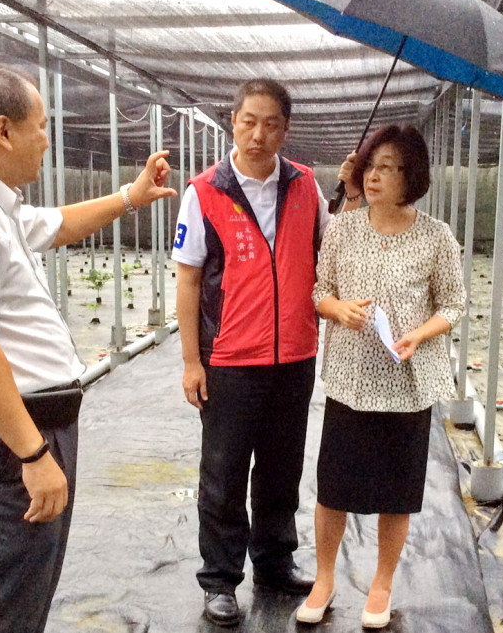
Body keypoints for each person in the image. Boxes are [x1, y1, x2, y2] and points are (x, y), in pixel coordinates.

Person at [0, 63, 175, 633]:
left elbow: (56, 225)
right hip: (0, 443)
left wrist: (131, 197)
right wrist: (33, 456)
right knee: (1, 607)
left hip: (21, 432)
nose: (48, 140)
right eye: (42, 126)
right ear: (3, 131)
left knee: (20, 598)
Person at [172, 78, 334, 627]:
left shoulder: (307, 187)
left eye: (271, 124)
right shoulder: (204, 192)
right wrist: (193, 361)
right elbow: (189, 280)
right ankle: (219, 580)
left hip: (293, 356)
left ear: (285, 130)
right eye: (249, 121)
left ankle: (274, 560)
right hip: (230, 359)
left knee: (281, 467)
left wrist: (354, 192)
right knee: (223, 471)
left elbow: (330, 253)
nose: (259, 134)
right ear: (232, 122)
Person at [296, 125, 465, 629]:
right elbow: (318, 290)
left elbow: (454, 304)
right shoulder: (344, 227)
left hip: (406, 384)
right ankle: (324, 579)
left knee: (397, 489)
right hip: (350, 379)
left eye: (390, 167)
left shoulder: (436, 236)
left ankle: (381, 582)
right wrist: (337, 309)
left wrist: (419, 334)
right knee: (334, 486)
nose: (376, 176)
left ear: (411, 176)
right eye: (372, 165)